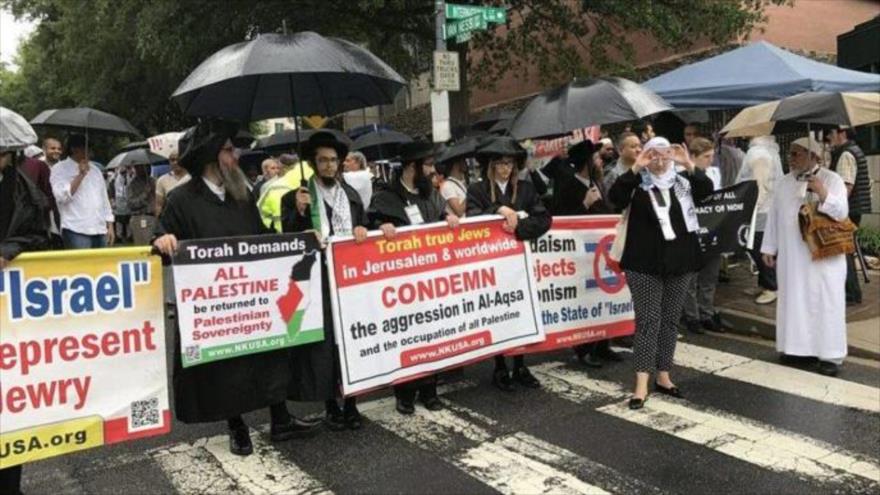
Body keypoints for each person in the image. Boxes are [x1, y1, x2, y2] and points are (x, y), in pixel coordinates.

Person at [152, 121, 320, 456]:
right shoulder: (181, 199)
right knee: (225, 367)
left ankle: (280, 419)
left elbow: (264, 241)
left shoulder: (242, 196)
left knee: (269, 354)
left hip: (253, 300)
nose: (236, 156)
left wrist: (300, 226)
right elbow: (161, 237)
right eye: (229, 151)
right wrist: (163, 239)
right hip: (217, 307)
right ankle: (236, 425)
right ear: (212, 158)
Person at [608, 137, 714, 409]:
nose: (660, 159)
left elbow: (707, 191)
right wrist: (636, 168)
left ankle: (664, 375)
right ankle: (641, 382)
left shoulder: (682, 182)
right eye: (653, 154)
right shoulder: (636, 184)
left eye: (665, 154)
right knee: (648, 320)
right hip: (643, 263)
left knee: (669, 320)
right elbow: (614, 198)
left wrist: (688, 163)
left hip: (680, 261)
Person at [280, 132, 369, 431]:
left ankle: (353, 401)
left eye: (334, 160)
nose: (329, 166)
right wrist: (300, 214)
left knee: (351, 340)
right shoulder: (295, 198)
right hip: (316, 282)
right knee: (325, 345)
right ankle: (331, 403)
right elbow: (285, 239)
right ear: (313, 164)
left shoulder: (352, 196)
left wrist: (361, 230)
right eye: (323, 161)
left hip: (348, 279)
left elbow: (363, 227)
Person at [368, 141, 459, 415]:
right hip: (401, 280)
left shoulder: (430, 193)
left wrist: (449, 216)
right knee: (408, 335)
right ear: (412, 167)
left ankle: (429, 389)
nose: (432, 171)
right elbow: (370, 223)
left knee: (431, 332)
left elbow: (444, 212)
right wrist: (379, 226)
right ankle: (405, 391)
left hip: (430, 277)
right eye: (428, 165)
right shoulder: (385, 195)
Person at [466, 136, 551, 391]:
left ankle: (520, 364)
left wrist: (518, 227)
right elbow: (471, 216)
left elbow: (544, 218)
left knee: (522, 311)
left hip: (520, 263)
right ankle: (500, 365)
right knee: (499, 312)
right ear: (491, 165)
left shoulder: (525, 188)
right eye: (500, 164)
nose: (505, 168)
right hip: (492, 263)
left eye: (510, 164)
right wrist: (498, 210)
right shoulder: (477, 189)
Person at [761, 137, 849, 377]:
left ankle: (829, 354)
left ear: (814, 157)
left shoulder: (833, 179)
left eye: (797, 154)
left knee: (826, 301)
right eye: (790, 153)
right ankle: (797, 348)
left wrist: (822, 192)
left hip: (824, 256)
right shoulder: (784, 182)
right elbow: (774, 216)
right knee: (795, 298)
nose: (790, 159)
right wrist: (769, 247)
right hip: (792, 256)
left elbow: (842, 213)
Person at [1, 139, 50, 495]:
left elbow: (39, 237)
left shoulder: (22, 191)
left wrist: (11, 248)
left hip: (10, 309)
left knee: (10, 399)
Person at [547, 140, 624, 367]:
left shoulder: (596, 183)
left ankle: (603, 344)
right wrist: (584, 203)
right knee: (586, 299)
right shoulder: (569, 185)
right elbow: (560, 218)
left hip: (600, 250)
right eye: (596, 158)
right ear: (586, 163)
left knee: (603, 297)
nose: (600, 161)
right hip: (580, 252)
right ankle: (584, 348)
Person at [682, 137, 724, 334]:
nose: (710, 161)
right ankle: (692, 316)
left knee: (710, 275)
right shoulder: (681, 176)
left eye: (712, 156)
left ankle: (706, 312)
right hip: (691, 232)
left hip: (712, 229)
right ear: (693, 157)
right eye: (706, 157)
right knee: (691, 277)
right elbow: (703, 187)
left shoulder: (714, 174)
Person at [737, 136, 782, 305]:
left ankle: (771, 287)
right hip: (768, 207)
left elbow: (759, 185)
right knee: (763, 246)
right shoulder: (770, 150)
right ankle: (764, 284)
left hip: (760, 210)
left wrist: (752, 209)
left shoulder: (758, 154)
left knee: (759, 247)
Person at [50, 134, 115, 249]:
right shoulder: (59, 169)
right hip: (76, 228)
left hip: (99, 228)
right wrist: (80, 175)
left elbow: (103, 198)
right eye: (86, 148)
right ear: (74, 149)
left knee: (101, 266)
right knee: (80, 266)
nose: (89, 152)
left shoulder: (95, 170)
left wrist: (110, 224)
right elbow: (61, 197)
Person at [829, 127, 869, 305]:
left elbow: (846, 188)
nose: (828, 137)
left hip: (848, 210)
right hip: (854, 209)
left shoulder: (845, 154)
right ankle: (850, 293)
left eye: (831, 133)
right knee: (845, 251)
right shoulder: (855, 150)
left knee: (844, 252)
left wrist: (833, 207)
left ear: (841, 133)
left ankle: (851, 294)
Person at [127, 163, 157, 245]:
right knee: (143, 247)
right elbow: (131, 204)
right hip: (140, 217)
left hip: (154, 218)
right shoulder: (132, 184)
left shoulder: (153, 181)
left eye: (148, 166)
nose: (147, 169)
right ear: (137, 168)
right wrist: (145, 194)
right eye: (144, 167)